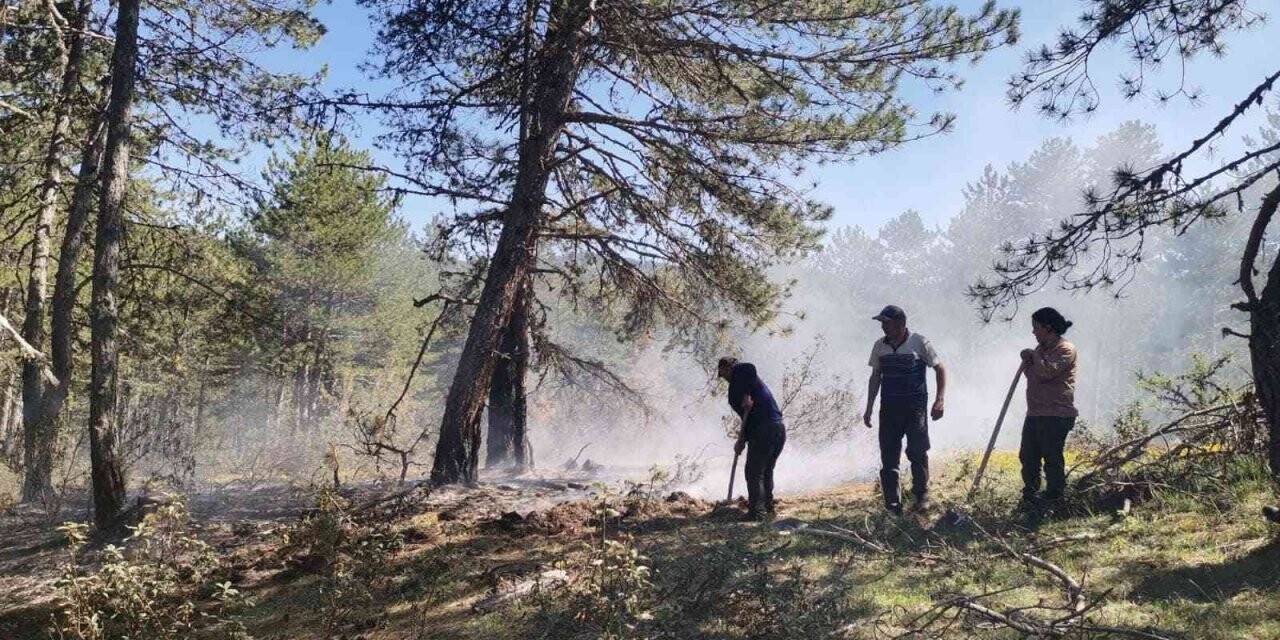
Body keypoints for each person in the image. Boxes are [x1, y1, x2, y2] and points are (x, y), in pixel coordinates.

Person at [863, 305, 946, 514]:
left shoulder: (919, 342)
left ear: (901, 323)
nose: (883, 327)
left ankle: (922, 496)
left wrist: (939, 400)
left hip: (915, 407)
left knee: (917, 451)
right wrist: (869, 407)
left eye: (887, 323)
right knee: (889, 455)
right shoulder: (879, 346)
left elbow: (940, 368)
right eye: (881, 323)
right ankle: (893, 503)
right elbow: (875, 377)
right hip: (889, 409)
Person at [1018, 307, 1078, 511]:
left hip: (1056, 414)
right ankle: (1031, 498)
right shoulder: (1040, 351)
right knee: (1028, 456)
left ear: (1048, 328)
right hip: (1035, 413)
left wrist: (1033, 357)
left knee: (1052, 458)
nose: (1033, 332)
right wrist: (1028, 360)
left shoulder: (1065, 349)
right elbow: (1033, 376)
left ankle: (1054, 500)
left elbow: (1046, 373)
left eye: (1036, 328)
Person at [718, 357, 786, 521]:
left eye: (724, 372)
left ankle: (757, 513)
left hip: (768, 428)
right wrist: (741, 441)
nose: (724, 378)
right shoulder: (733, 394)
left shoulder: (743, 372)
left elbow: (750, 367)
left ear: (729, 367)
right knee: (765, 471)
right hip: (772, 429)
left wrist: (747, 393)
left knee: (754, 473)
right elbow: (746, 420)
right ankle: (768, 508)